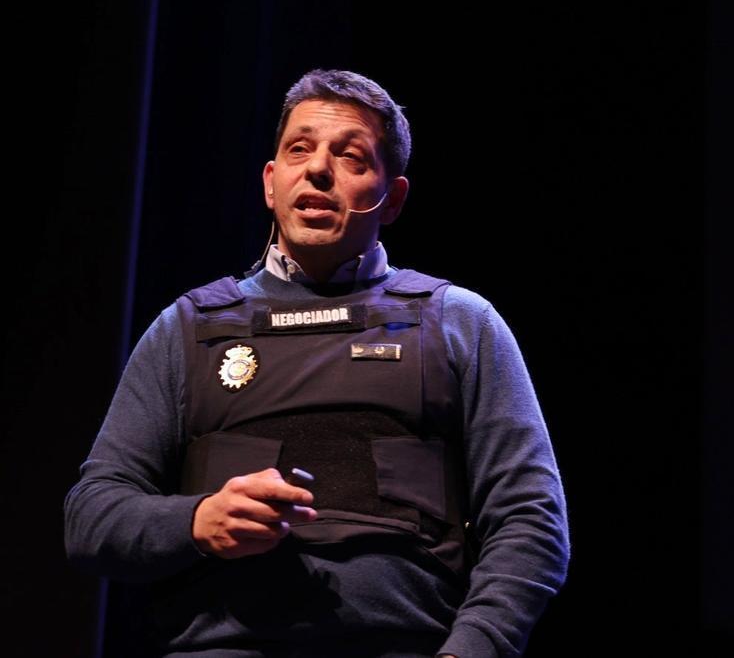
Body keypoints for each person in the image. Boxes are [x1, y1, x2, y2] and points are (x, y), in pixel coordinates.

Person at [64, 69, 570, 658]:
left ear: (393, 197)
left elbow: (531, 520)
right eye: (298, 149)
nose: (319, 169)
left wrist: (471, 649)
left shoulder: (458, 322)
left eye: (351, 156)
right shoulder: (189, 329)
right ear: (271, 182)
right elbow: (92, 516)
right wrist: (197, 521)